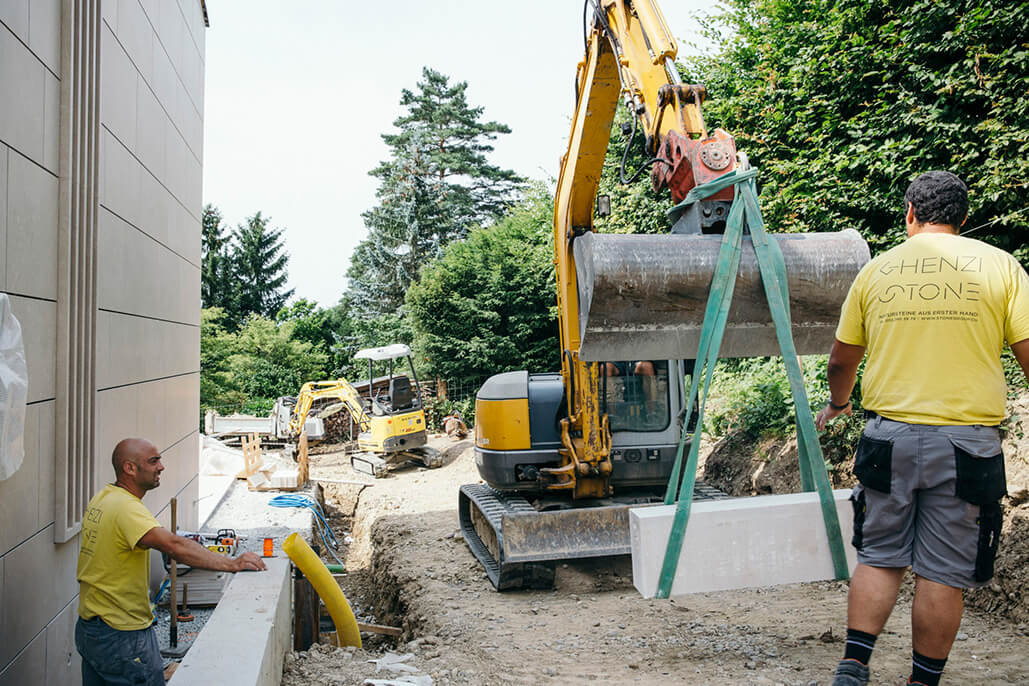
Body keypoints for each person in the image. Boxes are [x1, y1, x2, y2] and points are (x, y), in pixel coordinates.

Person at [815, 171, 1029, 686]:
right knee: (943, 570)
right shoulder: (1002, 267)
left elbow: (841, 361)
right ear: (964, 218)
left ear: (910, 211)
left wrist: (839, 404)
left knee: (881, 556)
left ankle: (853, 667)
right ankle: (922, 681)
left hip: (888, 438)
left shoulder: (879, 270)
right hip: (967, 444)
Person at [75, 438, 267, 686]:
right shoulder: (126, 508)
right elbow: (174, 546)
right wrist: (231, 563)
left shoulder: (104, 498)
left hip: (92, 629)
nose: (161, 467)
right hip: (121, 633)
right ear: (130, 468)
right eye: (153, 461)